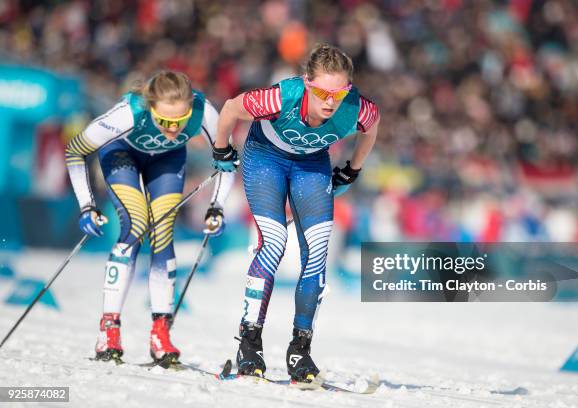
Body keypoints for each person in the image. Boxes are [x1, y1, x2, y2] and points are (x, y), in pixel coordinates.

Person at [212, 43, 380, 381]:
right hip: (265, 159)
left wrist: (352, 170)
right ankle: (249, 342)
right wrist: (222, 148)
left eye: (340, 92)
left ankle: (300, 350)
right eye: (321, 91)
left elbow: (372, 129)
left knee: (318, 253)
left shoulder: (358, 108)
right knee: (273, 243)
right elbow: (230, 108)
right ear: (307, 83)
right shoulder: (280, 97)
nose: (330, 101)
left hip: (311, 166)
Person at [65, 70, 236, 365]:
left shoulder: (203, 111)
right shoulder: (127, 114)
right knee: (136, 223)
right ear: (150, 107)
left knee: (163, 230)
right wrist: (86, 205)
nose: (172, 129)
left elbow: (228, 159)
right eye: (164, 121)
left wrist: (217, 206)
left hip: (167, 161)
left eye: (179, 122)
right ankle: (109, 329)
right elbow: (74, 151)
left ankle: (160, 332)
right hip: (122, 156)